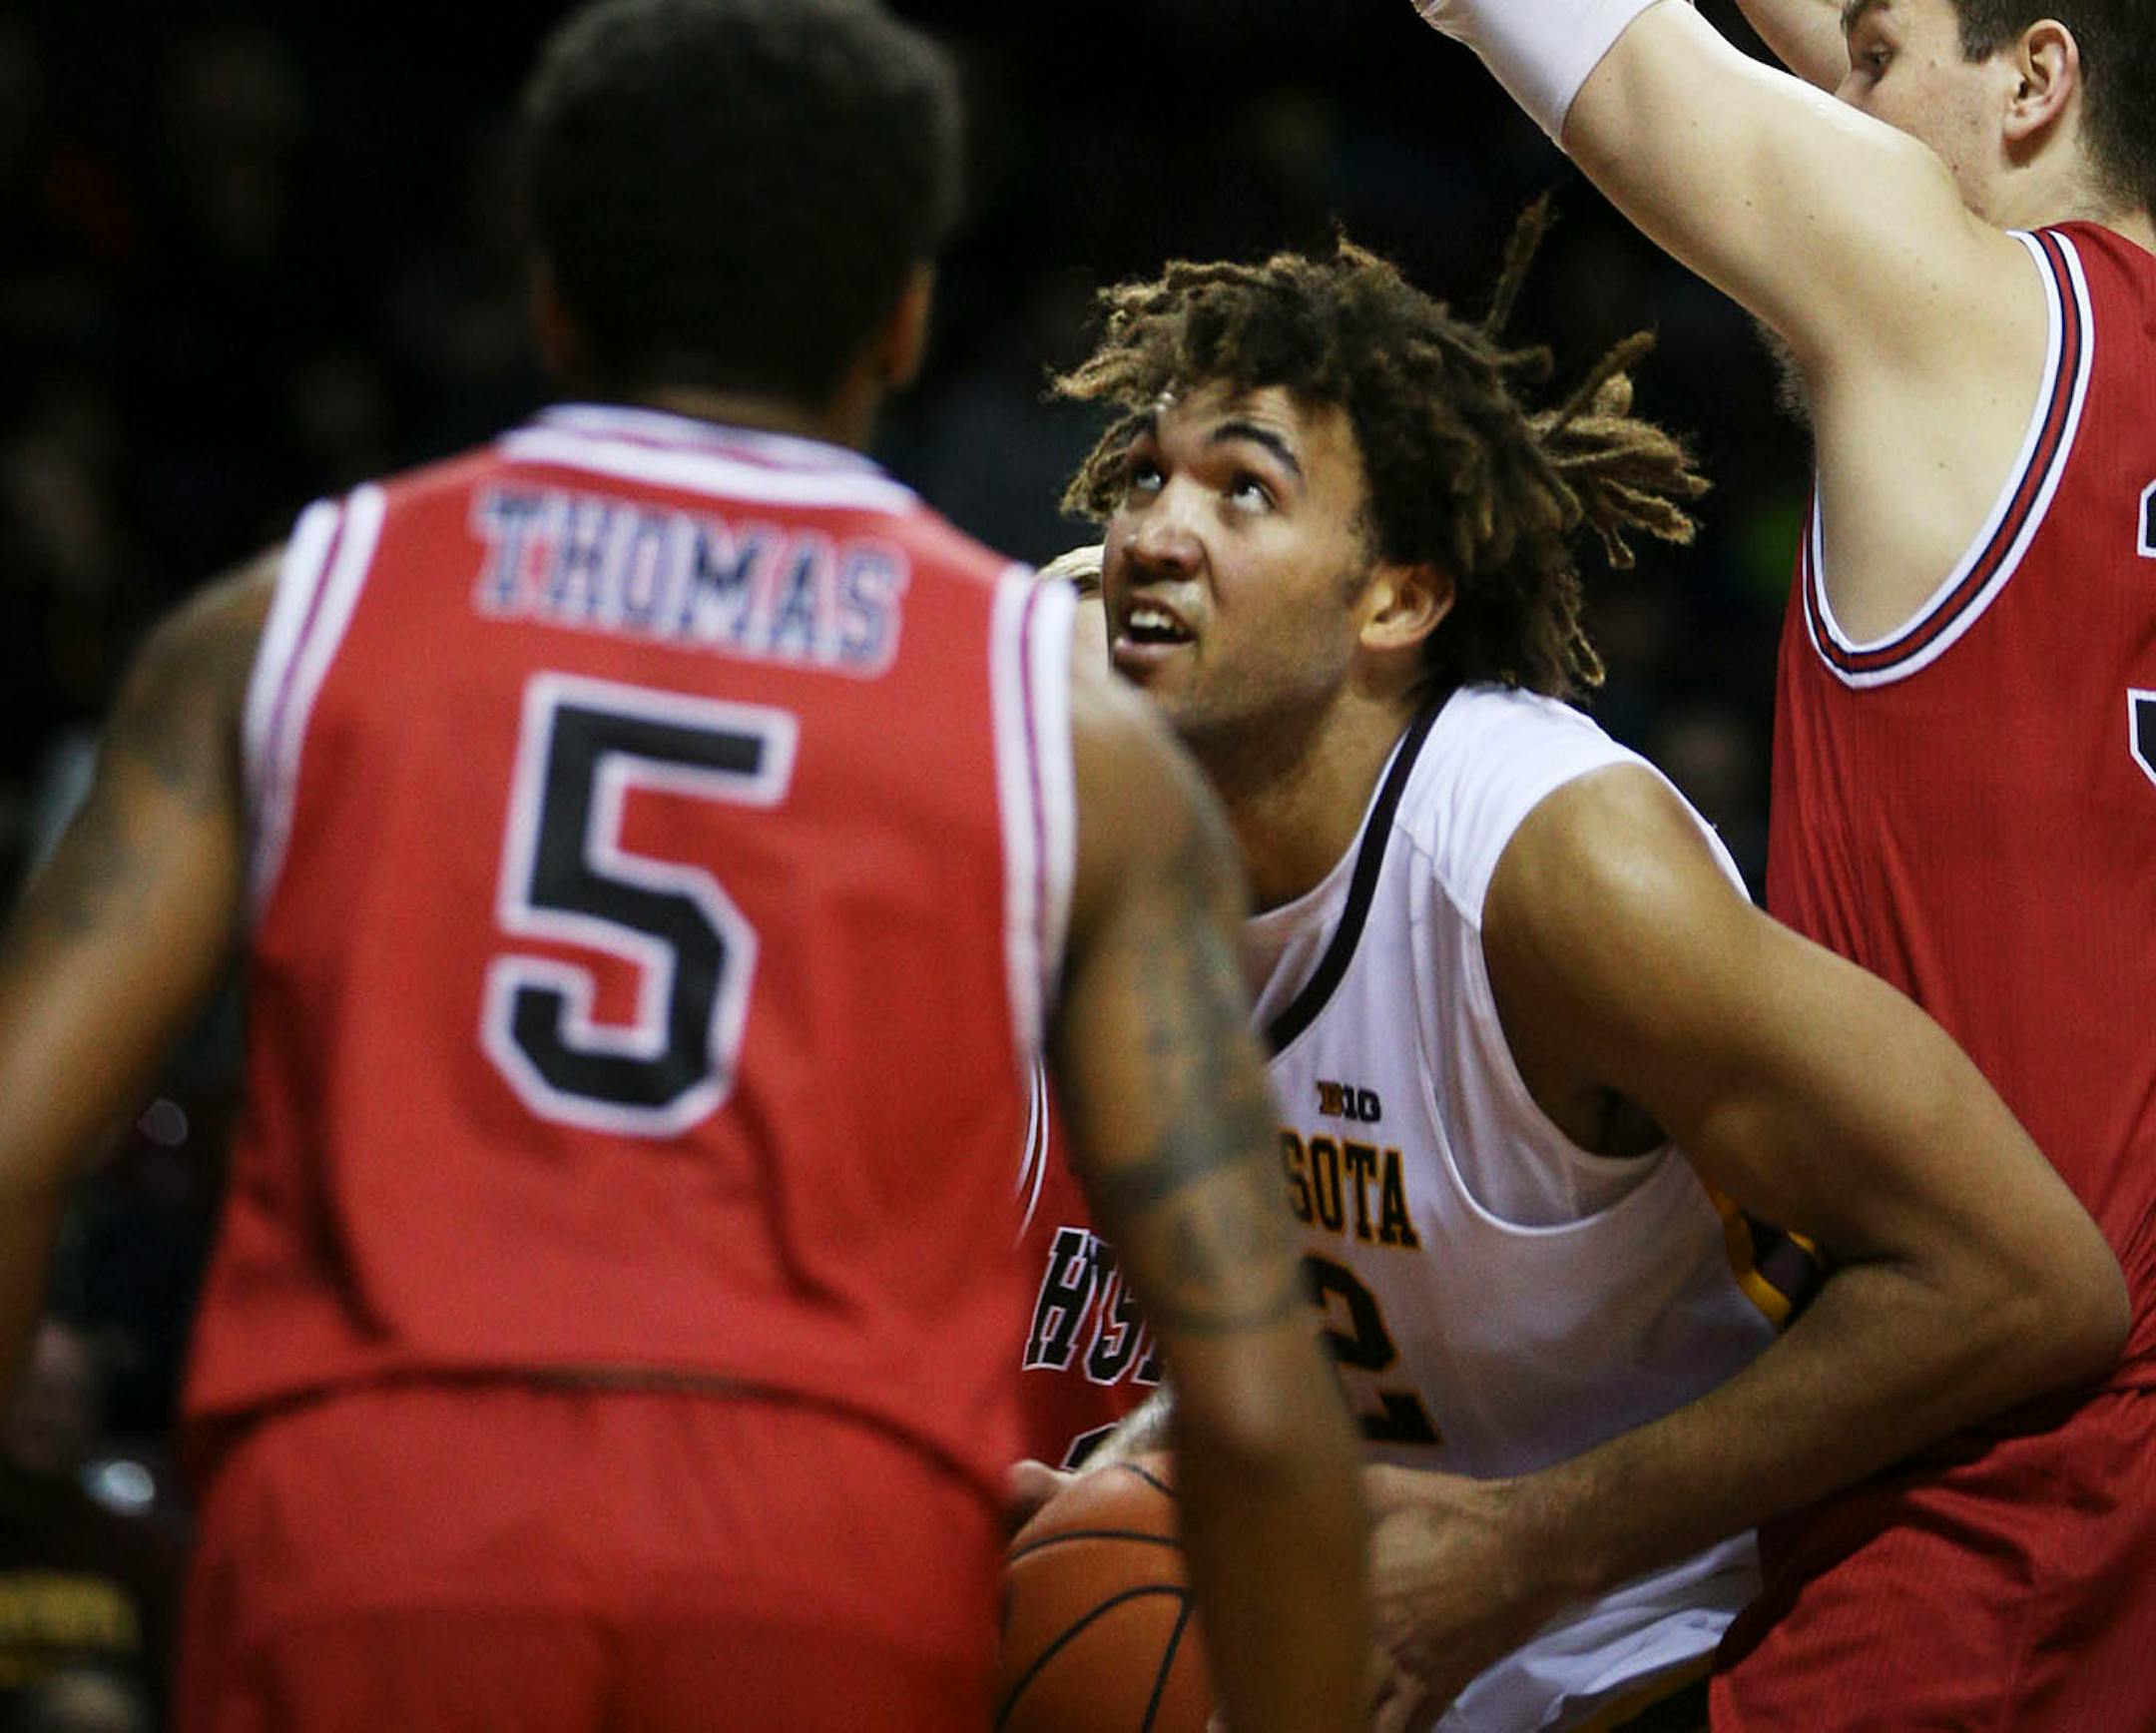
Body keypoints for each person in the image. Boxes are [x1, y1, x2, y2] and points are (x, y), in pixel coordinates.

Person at [0, 3, 1372, 1730]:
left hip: (377, 1520)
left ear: (553, 288)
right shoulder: (1066, 734)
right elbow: (1253, 1399)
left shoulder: (290, 621)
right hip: (824, 1562)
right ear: (903, 314)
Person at [1019, 222, 2126, 1731]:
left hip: (1696, 1630)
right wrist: (1139, 1474)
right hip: (1400, 1622)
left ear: (1394, 604)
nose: (1153, 530)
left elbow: (2026, 1283)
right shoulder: (1087, 808)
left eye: (1243, 491)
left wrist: (1528, 1553)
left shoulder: (1546, 871)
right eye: (1144, 476)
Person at [1403, 0, 2156, 1721]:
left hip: (1979, 1551)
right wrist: (1890, 45)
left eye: (1879, 76)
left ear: (2039, 85)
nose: (1844, 114)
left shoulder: (1979, 307)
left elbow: (1609, 49)